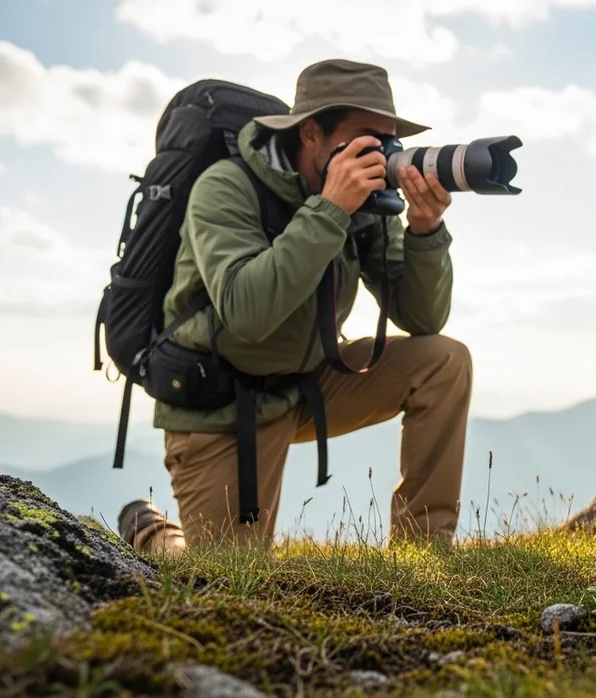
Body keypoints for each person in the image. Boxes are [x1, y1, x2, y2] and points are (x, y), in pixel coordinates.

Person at [116, 59, 472, 554]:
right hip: (220, 407)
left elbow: (423, 319)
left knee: (444, 362)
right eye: (368, 137)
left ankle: (425, 552)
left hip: (302, 385)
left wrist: (426, 229)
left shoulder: (365, 202)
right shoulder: (225, 188)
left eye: (389, 140)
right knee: (225, 583)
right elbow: (247, 312)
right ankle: (154, 534)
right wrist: (329, 209)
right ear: (311, 134)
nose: (383, 154)